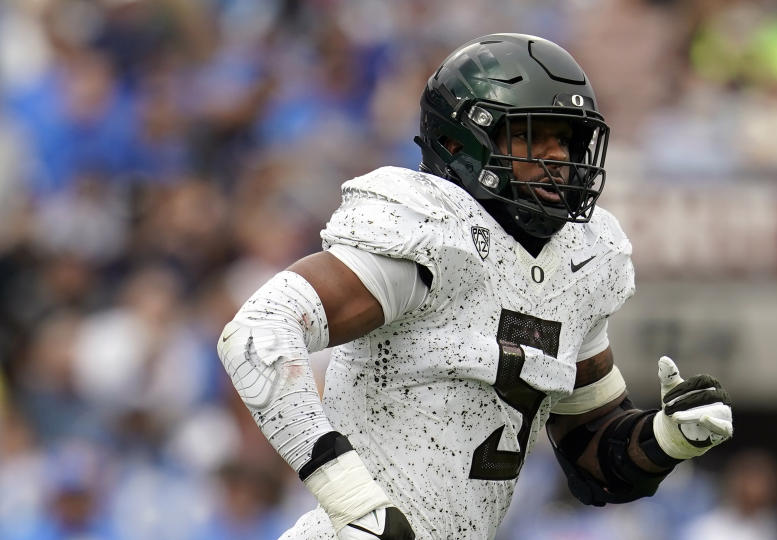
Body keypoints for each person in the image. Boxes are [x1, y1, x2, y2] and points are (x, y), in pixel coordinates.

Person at [217, 33, 734, 540]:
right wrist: (352, 499)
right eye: (535, 136)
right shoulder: (428, 229)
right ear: (458, 142)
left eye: (568, 140)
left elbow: (594, 455)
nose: (558, 156)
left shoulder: (583, 261)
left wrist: (668, 438)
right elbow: (257, 332)